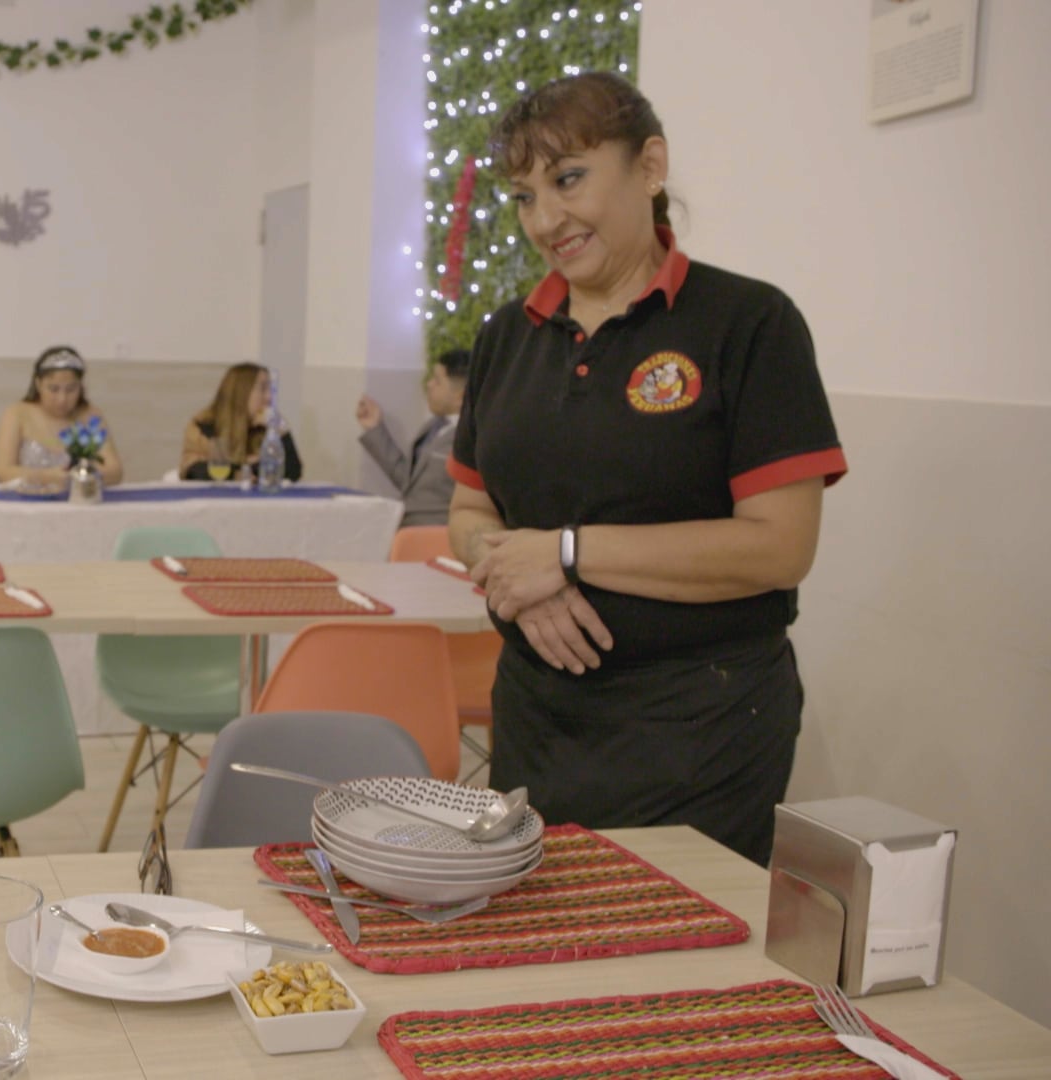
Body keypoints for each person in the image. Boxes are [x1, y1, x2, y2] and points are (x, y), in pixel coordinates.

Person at [447, 73, 846, 865]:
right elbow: (469, 511)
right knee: (543, 948)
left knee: (673, 966)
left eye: (568, 180)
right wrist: (517, 579)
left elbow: (779, 547)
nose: (546, 218)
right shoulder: (506, 337)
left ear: (650, 166)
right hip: (536, 715)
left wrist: (564, 552)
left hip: (703, 727)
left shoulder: (749, 323)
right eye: (524, 196)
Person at [355, 350, 468, 524]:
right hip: (407, 527)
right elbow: (407, 480)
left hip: (438, 533)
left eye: (437, 381)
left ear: (460, 396)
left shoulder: (471, 438)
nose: (429, 384)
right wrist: (375, 429)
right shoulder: (433, 426)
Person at [0, 345, 126, 487]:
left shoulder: (90, 415)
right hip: (26, 504)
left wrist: (80, 475)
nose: (62, 399)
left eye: (71, 389)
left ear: (81, 386)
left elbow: (115, 471)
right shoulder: (17, 413)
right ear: (38, 384)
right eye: (53, 389)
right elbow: (2, 471)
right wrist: (44, 477)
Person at [179, 362, 302, 483]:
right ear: (242, 392)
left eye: (270, 389)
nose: (269, 397)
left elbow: (292, 473)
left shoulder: (265, 426)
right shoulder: (204, 425)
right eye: (263, 389)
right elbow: (194, 471)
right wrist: (243, 468)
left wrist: (281, 429)